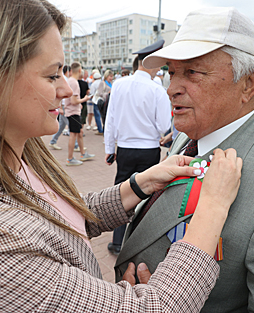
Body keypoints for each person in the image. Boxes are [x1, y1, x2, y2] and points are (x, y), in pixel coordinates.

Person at [0, 1, 245, 312]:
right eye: (52, 75)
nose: (66, 90)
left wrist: (138, 185)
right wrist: (212, 207)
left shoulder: (13, 155)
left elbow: (56, 217)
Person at [115, 7, 254, 313]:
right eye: (172, 71)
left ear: (248, 83)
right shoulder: (189, 137)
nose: (171, 89)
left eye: (192, 72)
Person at [104, 40, 171, 254]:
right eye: (158, 64)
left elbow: (110, 119)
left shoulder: (119, 85)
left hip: (124, 148)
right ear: (149, 63)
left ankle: (117, 242)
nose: (160, 69)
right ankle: (137, 244)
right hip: (149, 149)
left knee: (120, 193)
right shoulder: (157, 90)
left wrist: (109, 149)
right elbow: (163, 126)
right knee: (146, 193)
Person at [64, 62, 94, 166]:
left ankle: (82, 154)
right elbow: (73, 101)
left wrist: (78, 103)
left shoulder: (71, 81)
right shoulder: (74, 82)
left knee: (79, 132)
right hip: (73, 112)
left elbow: (71, 100)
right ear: (80, 70)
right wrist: (84, 99)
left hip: (73, 111)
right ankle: (70, 158)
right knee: (73, 134)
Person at [49, 65, 70, 150]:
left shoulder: (65, 78)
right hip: (64, 106)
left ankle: (53, 141)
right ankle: (76, 145)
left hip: (64, 106)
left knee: (62, 125)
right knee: (71, 126)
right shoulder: (64, 78)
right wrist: (60, 108)